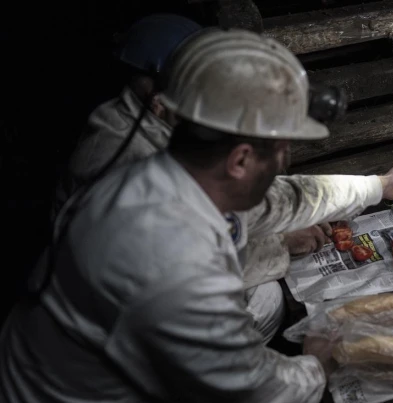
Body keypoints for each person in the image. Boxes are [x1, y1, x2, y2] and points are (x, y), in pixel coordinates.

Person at [0, 28, 393, 403]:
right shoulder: (173, 258)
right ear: (240, 161)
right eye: (281, 150)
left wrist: (375, 186)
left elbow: (285, 198)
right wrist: (316, 366)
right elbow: (249, 389)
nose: (286, 160)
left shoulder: (173, 174)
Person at [53, 13, 332, 343]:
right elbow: (196, 263)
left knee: (266, 294)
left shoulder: (142, 123)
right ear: (160, 92)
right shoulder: (130, 159)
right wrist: (282, 245)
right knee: (262, 304)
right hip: (123, 322)